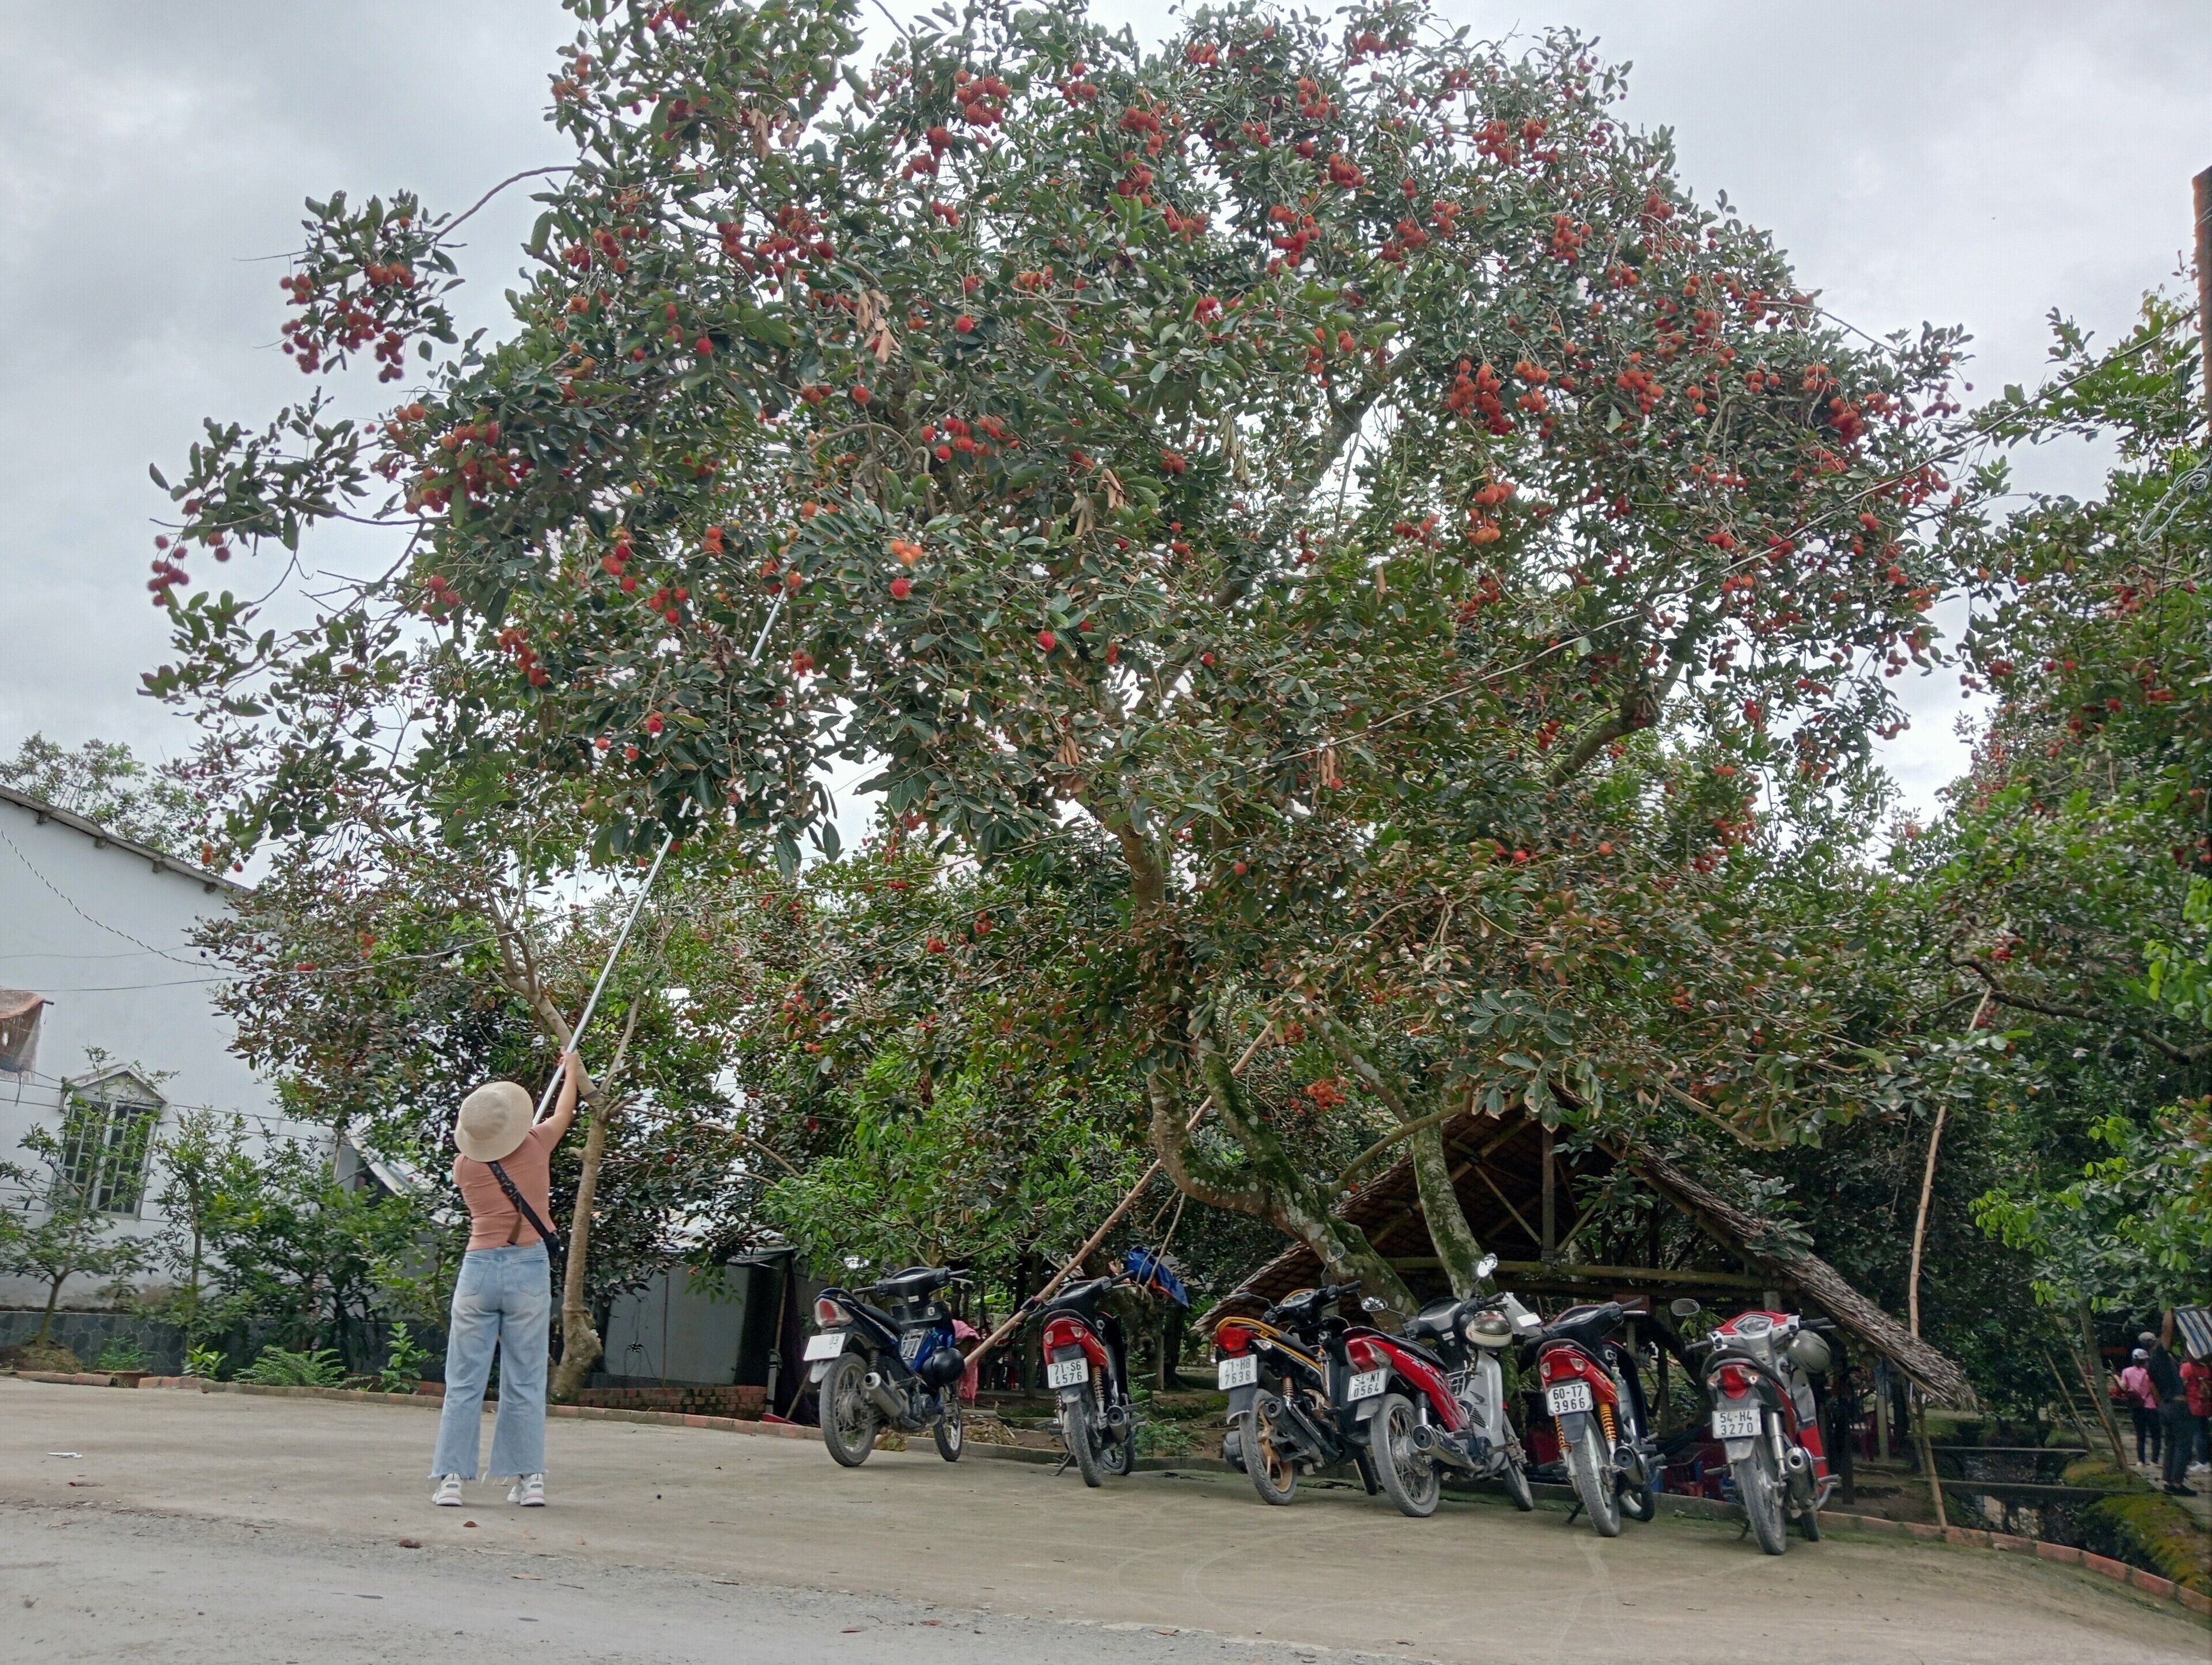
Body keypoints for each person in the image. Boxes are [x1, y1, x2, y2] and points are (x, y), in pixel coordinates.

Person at [428, 1050, 585, 1508]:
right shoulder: (537, 1145)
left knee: (463, 1381)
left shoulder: (465, 1167)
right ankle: (529, 1478)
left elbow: (498, 1158)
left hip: (478, 1269)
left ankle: (451, 1480)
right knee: (525, 1378)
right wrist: (570, 1069)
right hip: (527, 1268)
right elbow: (564, 1112)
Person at [2143, 1330, 2195, 1497]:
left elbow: (2153, 1387)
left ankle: (2169, 1481)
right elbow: (2167, 1333)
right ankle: (2177, 1483)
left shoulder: (2151, 1362)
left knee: (2171, 1444)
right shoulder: (2159, 1352)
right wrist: (2169, 1311)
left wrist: (2161, 1405)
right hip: (2176, 1405)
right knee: (2183, 1445)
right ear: (2153, 1341)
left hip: (2166, 1405)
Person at [2119, 1348, 2160, 1467]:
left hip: (2136, 1406)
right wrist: (2159, 1404)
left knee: (2140, 1435)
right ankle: (2154, 1461)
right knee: (2156, 1435)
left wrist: (2116, 1379)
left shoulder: (2126, 1371)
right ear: (2145, 1360)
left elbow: (2124, 1387)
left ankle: (2141, 1461)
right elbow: (2153, 1389)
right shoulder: (2149, 1373)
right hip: (2151, 1406)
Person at [2181, 1350, 2212, 1473]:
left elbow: (2181, 1385)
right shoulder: (2207, 1368)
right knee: (2205, 1433)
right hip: (2207, 1405)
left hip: (2193, 1405)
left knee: (2197, 1434)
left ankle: (2203, 1462)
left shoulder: (2187, 1367)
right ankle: (2207, 1460)